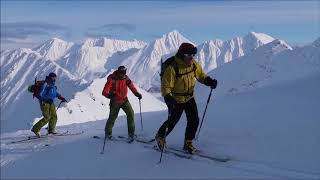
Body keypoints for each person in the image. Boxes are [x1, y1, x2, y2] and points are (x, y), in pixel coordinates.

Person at [155, 43, 218, 154]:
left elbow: (201, 75)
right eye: (189, 55)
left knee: (194, 120)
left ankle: (188, 142)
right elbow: (166, 87)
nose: (192, 57)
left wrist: (209, 81)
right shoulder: (172, 68)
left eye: (193, 55)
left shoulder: (193, 65)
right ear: (182, 54)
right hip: (175, 99)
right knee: (172, 121)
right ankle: (160, 136)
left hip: (189, 97)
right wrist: (169, 99)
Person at [102, 66, 142, 141]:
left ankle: (131, 134)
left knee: (131, 114)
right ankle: (108, 134)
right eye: (122, 73)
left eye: (125, 72)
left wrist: (137, 94)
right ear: (118, 72)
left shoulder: (126, 78)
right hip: (115, 102)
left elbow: (131, 87)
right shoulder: (112, 79)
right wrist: (110, 96)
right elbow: (104, 92)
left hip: (124, 100)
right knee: (112, 118)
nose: (124, 74)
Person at [31, 72, 67, 137]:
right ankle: (35, 129)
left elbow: (54, 92)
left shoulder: (52, 84)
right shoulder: (45, 84)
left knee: (54, 116)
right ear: (50, 77)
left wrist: (61, 97)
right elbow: (40, 94)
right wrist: (47, 99)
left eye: (55, 77)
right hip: (44, 103)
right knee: (47, 118)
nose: (55, 78)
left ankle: (51, 130)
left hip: (51, 102)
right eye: (54, 77)